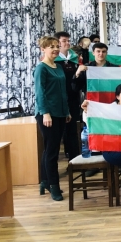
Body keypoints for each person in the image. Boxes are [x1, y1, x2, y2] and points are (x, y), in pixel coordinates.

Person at [34, 36, 71, 201]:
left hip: (60, 113)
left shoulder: (58, 67)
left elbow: (63, 91)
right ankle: (54, 186)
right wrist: (45, 113)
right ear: (43, 49)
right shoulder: (41, 68)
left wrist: (67, 111)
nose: (56, 49)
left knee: (50, 148)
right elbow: (39, 92)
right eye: (52, 47)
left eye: (57, 46)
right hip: (47, 114)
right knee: (52, 152)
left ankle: (45, 181)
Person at [54, 31, 81, 160]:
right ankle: (68, 154)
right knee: (62, 130)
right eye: (64, 41)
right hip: (59, 99)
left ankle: (75, 156)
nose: (67, 43)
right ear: (57, 43)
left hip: (74, 98)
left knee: (73, 129)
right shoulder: (53, 60)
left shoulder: (75, 58)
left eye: (68, 40)